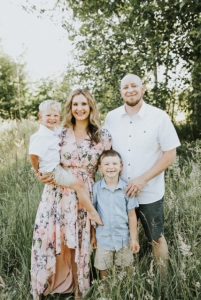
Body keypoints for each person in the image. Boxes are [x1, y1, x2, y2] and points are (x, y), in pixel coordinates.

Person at [30, 90, 111, 300]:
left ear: (91, 106)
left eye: (84, 104)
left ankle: (78, 287)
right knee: (56, 237)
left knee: (80, 240)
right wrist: (39, 174)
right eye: (75, 104)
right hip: (58, 192)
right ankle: (51, 283)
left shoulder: (102, 135)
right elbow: (42, 155)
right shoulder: (60, 132)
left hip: (85, 192)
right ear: (70, 107)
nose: (80, 108)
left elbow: (110, 166)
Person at [104, 74, 180, 273]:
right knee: (124, 238)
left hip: (151, 192)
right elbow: (104, 151)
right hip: (120, 193)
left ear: (143, 88)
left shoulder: (159, 116)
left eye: (134, 86)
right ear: (120, 91)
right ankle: (128, 283)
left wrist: (143, 179)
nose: (130, 90)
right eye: (125, 87)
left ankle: (163, 283)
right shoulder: (111, 117)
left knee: (156, 236)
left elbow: (170, 154)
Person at [29, 99, 102, 225]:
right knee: (79, 185)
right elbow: (34, 156)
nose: (52, 118)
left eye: (55, 115)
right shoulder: (43, 135)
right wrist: (38, 171)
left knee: (79, 186)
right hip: (54, 176)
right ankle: (93, 213)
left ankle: (91, 214)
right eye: (48, 115)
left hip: (60, 172)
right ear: (40, 117)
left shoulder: (55, 131)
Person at [92, 149, 140, 279]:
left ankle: (127, 290)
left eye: (114, 163)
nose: (111, 167)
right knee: (104, 269)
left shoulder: (127, 189)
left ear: (121, 167)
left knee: (127, 268)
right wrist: (93, 236)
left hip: (123, 238)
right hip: (103, 238)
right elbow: (92, 214)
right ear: (100, 168)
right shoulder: (96, 188)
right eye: (106, 164)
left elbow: (132, 216)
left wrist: (134, 239)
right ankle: (106, 293)